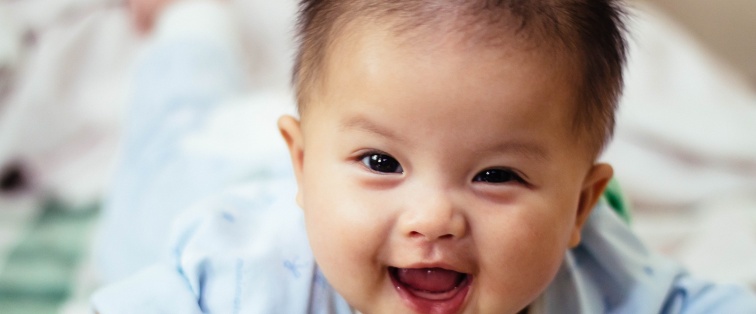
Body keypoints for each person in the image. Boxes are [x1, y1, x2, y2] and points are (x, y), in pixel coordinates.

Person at [92, 0, 756, 313]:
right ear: (301, 166)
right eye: (383, 164)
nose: (434, 219)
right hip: (199, 172)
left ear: (581, 205)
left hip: (333, 154)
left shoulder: (598, 274)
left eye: (496, 175)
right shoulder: (241, 277)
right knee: (175, 106)